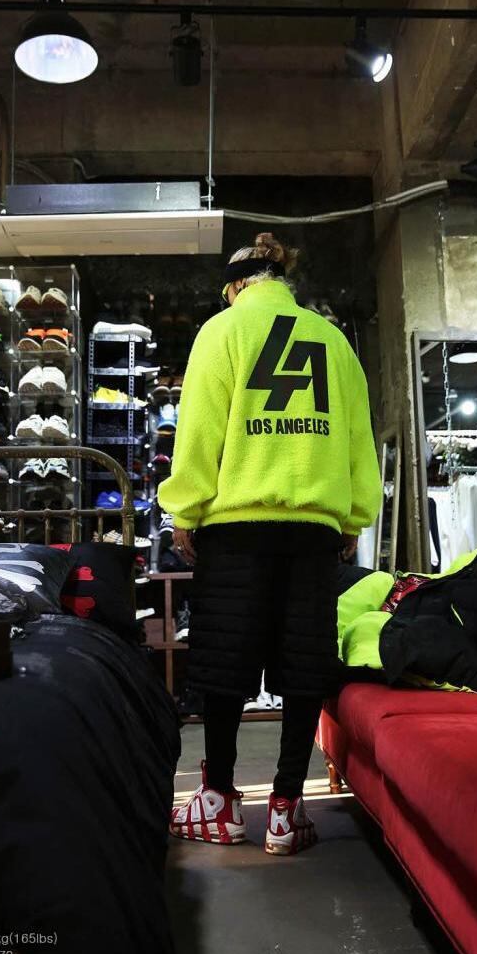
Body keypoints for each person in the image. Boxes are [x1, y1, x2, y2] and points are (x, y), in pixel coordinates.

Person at [164, 229, 380, 856]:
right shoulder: (334, 342)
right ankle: (287, 807)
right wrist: (353, 517)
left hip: (236, 526)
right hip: (314, 530)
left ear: (236, 286)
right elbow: (357, 438)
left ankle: (219, 802)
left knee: (225, 662)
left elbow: (200, 430)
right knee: (303, 663)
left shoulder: (223, 331)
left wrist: (185, 509)